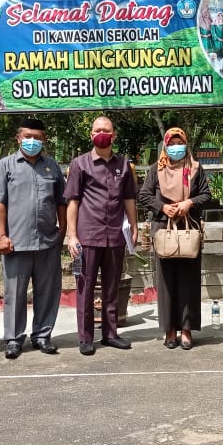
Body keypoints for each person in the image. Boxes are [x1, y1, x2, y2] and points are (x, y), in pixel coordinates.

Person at [0, 119, 66, 359]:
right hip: (15, 243)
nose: (32, 141)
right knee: (15, 294)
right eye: (28, 136)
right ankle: (13, 338)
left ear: (44, 140)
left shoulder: (52, 166)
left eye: (38, 137)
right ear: (18, 138)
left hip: (47, 242)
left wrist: (63, 230)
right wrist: (1, 235)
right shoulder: (6, 165)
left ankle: (42, 335)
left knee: (47, 291)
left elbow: (62, 202)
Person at [64, 116, 139, 355]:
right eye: (98, 130)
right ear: (91, 134)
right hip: (87, 236)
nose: (102, 134)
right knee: (85, 288)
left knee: (112, 287)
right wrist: (71, 235)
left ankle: (110, 334)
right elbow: (73, 201)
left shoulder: (124, 164)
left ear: (114, 135)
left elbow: (129, 199)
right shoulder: (80, 164)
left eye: (106, 130)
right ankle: (86, 338)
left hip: (115, 235)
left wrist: (135, 227)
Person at [138, 127, 212, 350]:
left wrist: (189, 203)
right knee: (167, 282)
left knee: (189, 281)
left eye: (180, 143)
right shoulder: (155, 170)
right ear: (165, 146)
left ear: (186, 144)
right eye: (171, 143)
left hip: (189, 230)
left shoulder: (196, 169)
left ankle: (187, 329)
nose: (176, 148)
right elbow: (144, 195)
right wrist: (163, 207)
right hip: (164, 230)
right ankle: (170, 329)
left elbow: (206, 195)